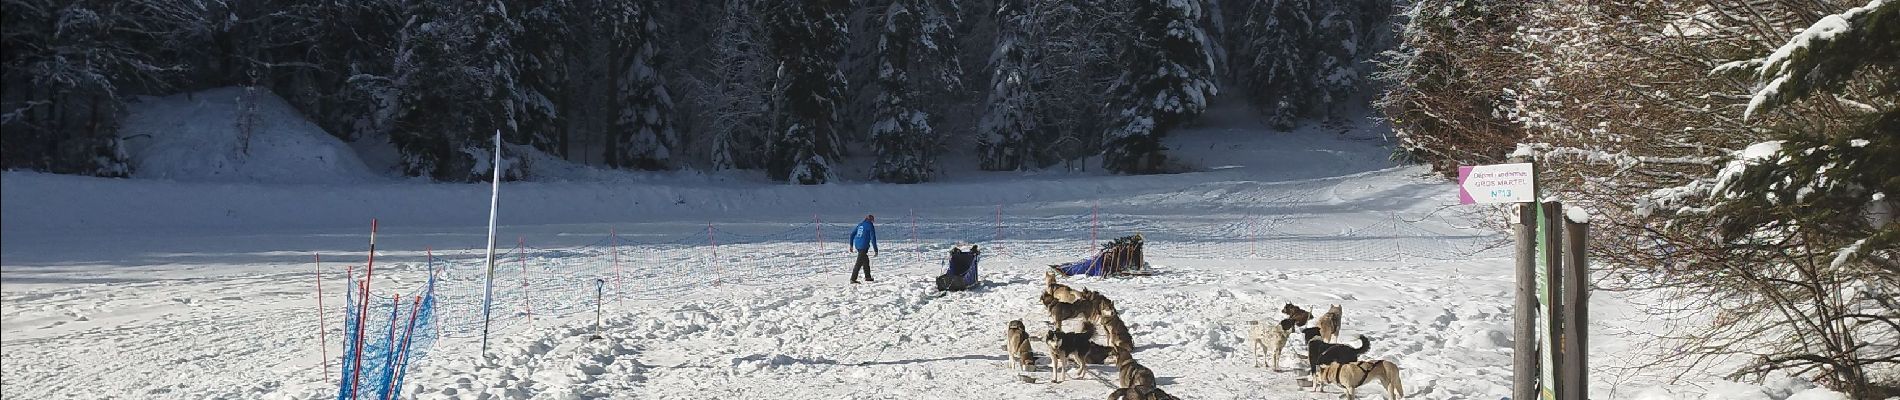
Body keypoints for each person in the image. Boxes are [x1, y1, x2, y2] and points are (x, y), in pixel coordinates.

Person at [849, 214, 879, 283]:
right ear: (871, 220)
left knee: (865, 261)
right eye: (872, 221)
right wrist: (876, 250)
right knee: (858, 263)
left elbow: (852, 234)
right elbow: (873, 238)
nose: (872, 222)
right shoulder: (870, 226)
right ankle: (853, 279)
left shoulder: (860, 224)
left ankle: (868, 277)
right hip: (863, 246)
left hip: (857, 245)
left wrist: (851, 245)